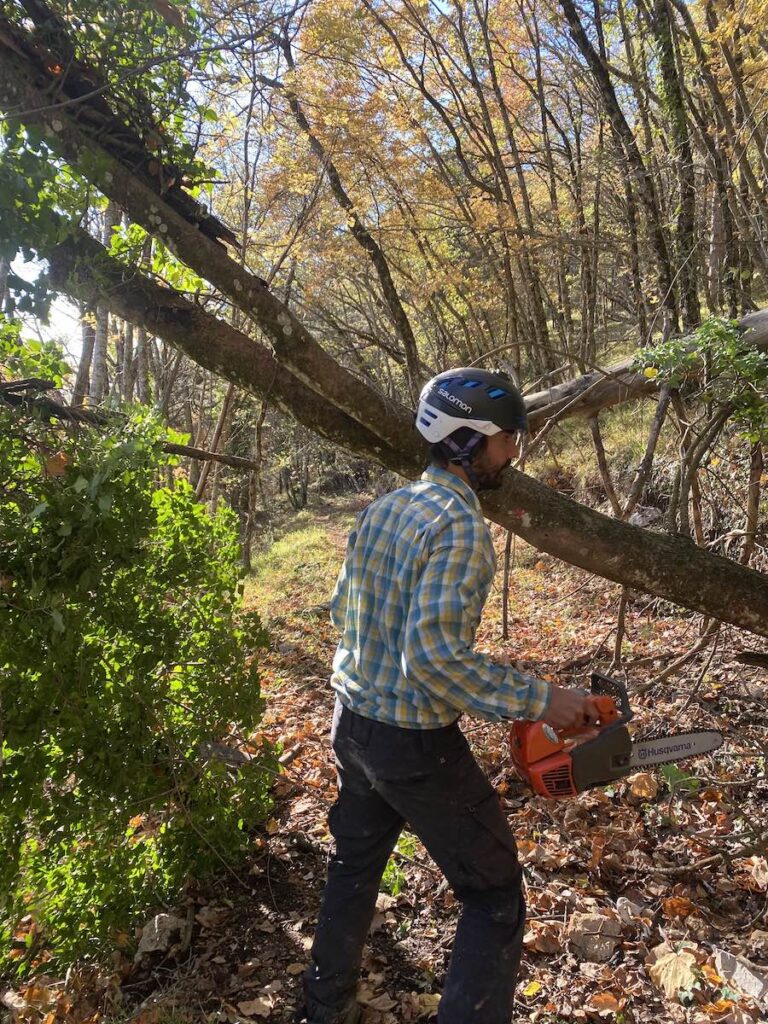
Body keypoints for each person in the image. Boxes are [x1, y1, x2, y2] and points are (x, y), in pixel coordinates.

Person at [296, 369, 599, 1024]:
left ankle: (323, 1008)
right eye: (504, 440)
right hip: (413, 746)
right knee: (494, 897)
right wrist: (541, 700)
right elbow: (433, 658)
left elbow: (340, 613)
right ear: (468, 442)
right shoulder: (461, 529)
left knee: (353, 867)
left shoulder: (384, 509)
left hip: (351, 725)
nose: (511, 453)